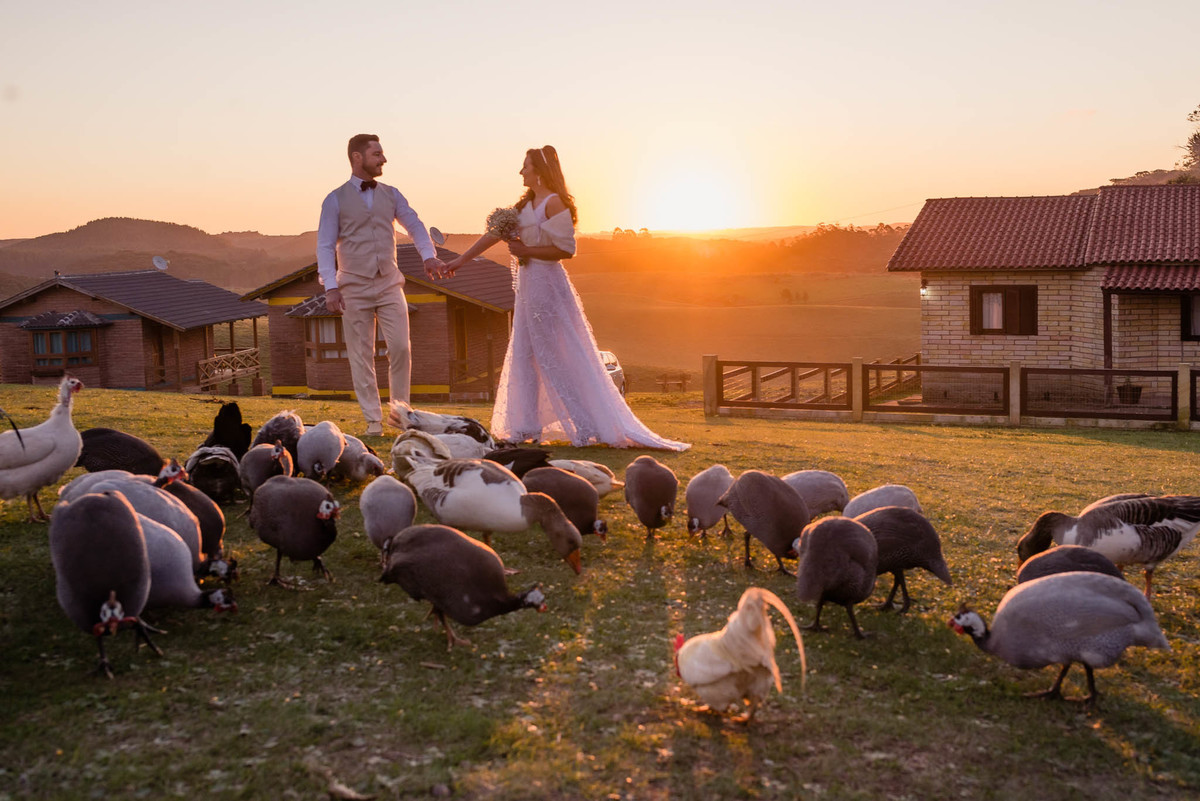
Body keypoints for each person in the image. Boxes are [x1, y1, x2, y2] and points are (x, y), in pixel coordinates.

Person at [445, 146, 688, 451]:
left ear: (540, 172)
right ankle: (525, 425)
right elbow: (492, 236)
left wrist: (527, 251)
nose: (521, 172)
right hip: (527, 287)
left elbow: (567, 249)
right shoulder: (524, 206)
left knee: (552, 354)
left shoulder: (553, 202)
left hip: (547, 283)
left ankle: (584, 425)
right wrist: (458, 262)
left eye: (525, 166)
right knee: (526, 353)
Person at [317, 134, 446, 436]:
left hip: (389, 283)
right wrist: (330, 286)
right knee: (361, 354)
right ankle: (373, 421)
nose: (383, 159)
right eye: (377, 154)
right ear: (357, 158)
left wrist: (429, 256)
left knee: (401, 347)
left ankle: (400, 416)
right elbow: (324, 246)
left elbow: (413, 224)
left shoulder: (392, 193)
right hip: (352, 286)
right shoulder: (334, 199)